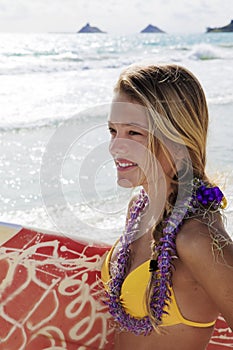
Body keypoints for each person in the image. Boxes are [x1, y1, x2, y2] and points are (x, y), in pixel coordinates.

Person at [101, 64, 233, 350]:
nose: (115, 147)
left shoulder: (197, 238)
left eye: (134, 133)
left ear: (176, 138)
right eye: (113, 131)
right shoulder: (139, 206)